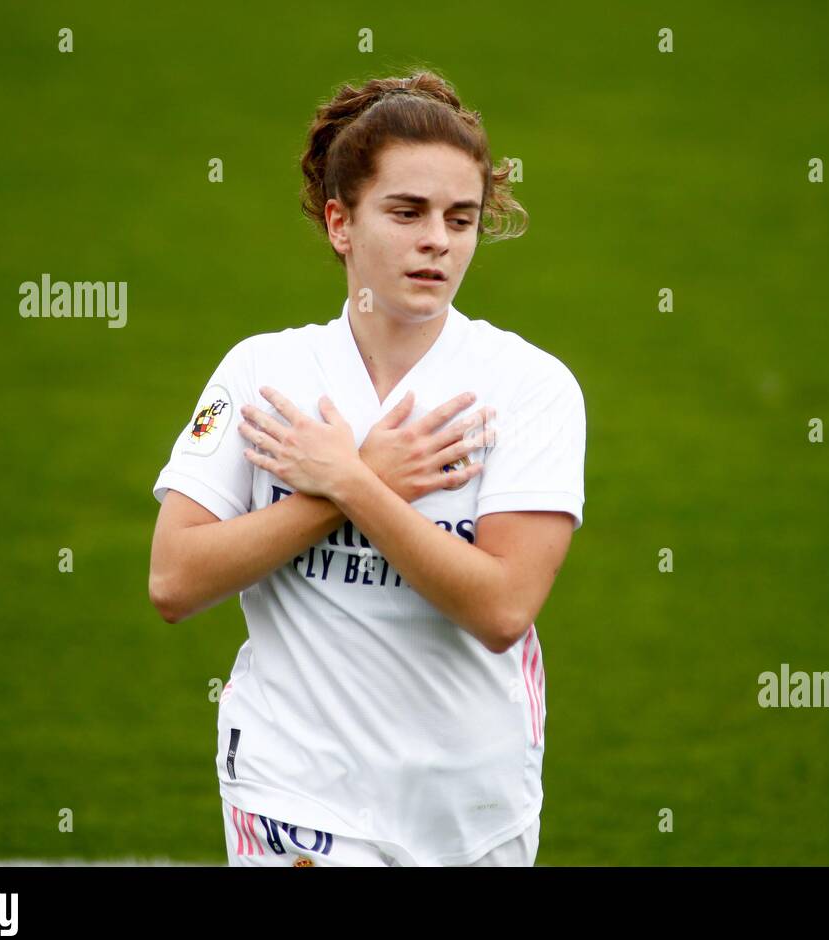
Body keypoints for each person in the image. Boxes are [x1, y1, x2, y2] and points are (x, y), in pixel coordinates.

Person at [148, 70, 586, 866]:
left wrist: (353, 482)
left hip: (475, 809)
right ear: (340, 222)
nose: (438, 241)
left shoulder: (531, 387)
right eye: (407, 212)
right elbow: (175, 581)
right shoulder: (262, 375)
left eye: (461, 219)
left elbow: (501, 609)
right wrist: (352, 487)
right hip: (297, 795)